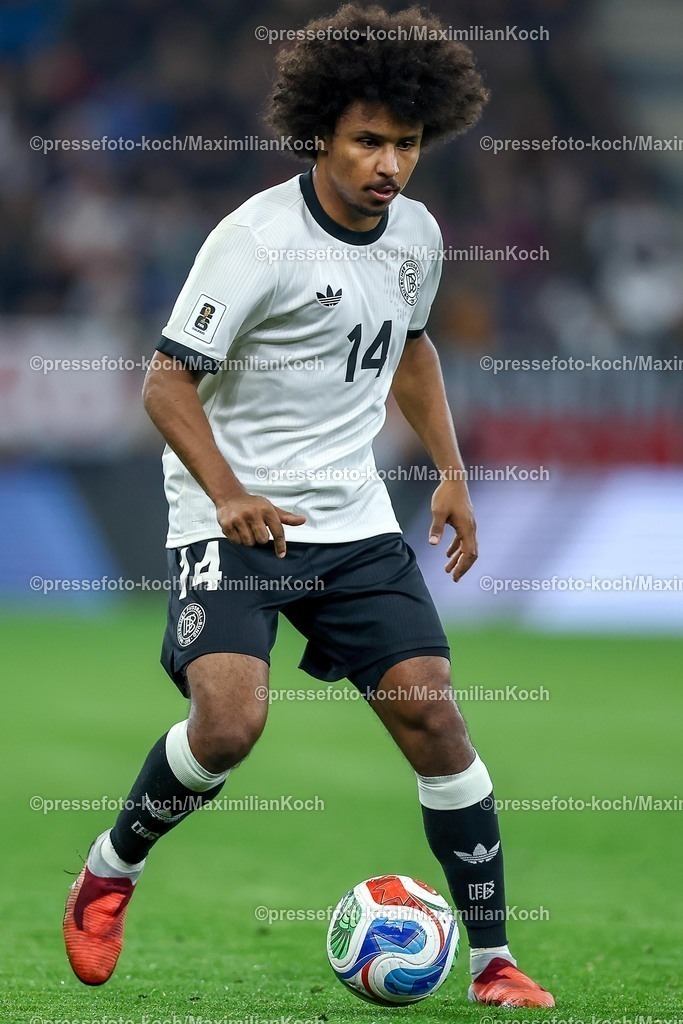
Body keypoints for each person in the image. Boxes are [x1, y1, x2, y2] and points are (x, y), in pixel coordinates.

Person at [63, 4, 554, 1009]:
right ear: (321, 131)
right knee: (230, 724)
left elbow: (411, 347)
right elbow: (164, 381)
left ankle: (493, 962)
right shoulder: (254, 239)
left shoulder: (415, 231)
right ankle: (111, 867)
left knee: (433, 718)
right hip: (229, 516)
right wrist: (228, 492)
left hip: (350, 515)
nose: (389, 162)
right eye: (368, 139)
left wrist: (450, 470)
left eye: (406, 142)